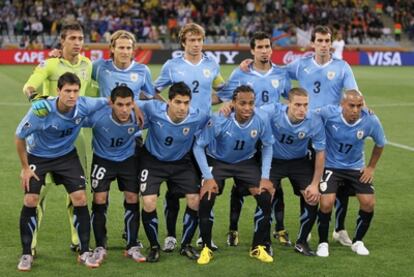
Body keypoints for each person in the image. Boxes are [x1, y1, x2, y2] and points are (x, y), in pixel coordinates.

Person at [15, 73, 108, 271]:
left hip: (66, 156)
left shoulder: (84, 104)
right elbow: (19, 136)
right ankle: (26, 254)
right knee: (31, 200)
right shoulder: (41, 111)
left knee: (80, 198)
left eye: (75, 91)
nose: (72, 95)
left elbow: (110, 101)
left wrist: (133, 105)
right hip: (38, 156)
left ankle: (84, 252)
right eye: (67, 91)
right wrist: (24, 168)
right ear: (58, 91)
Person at [22, 22, 93, 255]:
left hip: (74, 138)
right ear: (62, 41)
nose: (77, 43)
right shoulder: (50, 64)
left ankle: (77, 240)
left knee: (78, 193)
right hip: (43, 138)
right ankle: (30, 246)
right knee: (37, 194)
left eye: (80, 38)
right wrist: (35, 98)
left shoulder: (88, 64)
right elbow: (29, 85)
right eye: (72, 38)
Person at [154, 23, 225, 252]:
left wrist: (216, 103)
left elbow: (221, 92)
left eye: (199, 40)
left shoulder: (211, 65)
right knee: (174, 190)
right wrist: (168, 107)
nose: (196, 44)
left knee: (206, 185)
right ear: (183, 42)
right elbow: (153, 89)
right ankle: (171, 235)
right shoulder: (172, 66)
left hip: (205, 134)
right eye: (191, 40)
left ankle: (204, 236)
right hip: (179, 135)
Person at [285, 25, 358, 246]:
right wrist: (250, 63)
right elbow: (279, 72)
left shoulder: (342, 66)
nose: (324, 45)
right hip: (307, 131)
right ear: (313, 43)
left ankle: (339, 228)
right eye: (320, 41)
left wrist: (363, 110)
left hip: (334, 132)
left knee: (341, 181)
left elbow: (354, 94)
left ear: (331, 43)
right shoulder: (302, 64)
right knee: (308, 181)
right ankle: (306, 227)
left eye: (327, 41)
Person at [218, 31, 292, 247]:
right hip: (246, 137)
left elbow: (292, 97)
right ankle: (233, 229)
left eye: (267, 46)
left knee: (273, 184)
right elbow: (225, 97)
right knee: (240, 186)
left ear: (271, 48)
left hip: (272, 138)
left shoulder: (281, 73)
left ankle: (279, 228)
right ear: (252, 50)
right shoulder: (240, 73)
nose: (264, 50)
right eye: (259, 47)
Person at [193, 85, 275, 265]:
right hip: (218, 161)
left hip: (246, 162)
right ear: (233, 103)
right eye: (242, 103)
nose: (247, 108)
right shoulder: (220, 119)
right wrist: (207, 177)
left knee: (265, 198)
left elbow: (268, 146)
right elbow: (198, 146)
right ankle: (206, 247)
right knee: (206, 199)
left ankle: (257, 247)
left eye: (251, 103)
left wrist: (265, 176)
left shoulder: (261, 118)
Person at [138, 82, 209, 262]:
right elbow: (126, 102)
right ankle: (154, 246)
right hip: (153, 160)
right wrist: (133, 107)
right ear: (168, 101)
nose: (182, 107)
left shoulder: (198, 116)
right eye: (178, 102)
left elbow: (214, 121)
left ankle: (186, 245)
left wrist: (228, 108)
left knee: (194, 200)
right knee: (149, 201)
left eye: (186, 102)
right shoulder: (153, 108)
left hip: (181, 162)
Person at [315, 90, 386, 257]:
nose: (355, 110)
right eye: (351, 105)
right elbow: (310, 116)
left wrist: (370, 168)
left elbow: (380, 143)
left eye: (359, 106)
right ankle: (323, 243)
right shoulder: (329, 113)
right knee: (326, 203)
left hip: (355, 168)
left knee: (368, 202)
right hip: (331, 166)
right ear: (342, 105)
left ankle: (358, 241)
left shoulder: (370, 120)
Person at [82, 86, 145, 265]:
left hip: (128, 160)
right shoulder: (98, 116)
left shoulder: (139, 115)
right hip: (103, 160)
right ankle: (100, 245)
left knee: (133, 198)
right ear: (112, 103)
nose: (124, 109)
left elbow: (165, 111)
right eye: (119, 105)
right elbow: (75, 116)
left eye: (128, 104)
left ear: (133, 103)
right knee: (99, 199)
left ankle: (132, 245)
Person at [260, 87, 326, 256]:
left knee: (312, 198)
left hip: (299, 162)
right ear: (287, 104)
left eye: (305, 105)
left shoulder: (314, 120)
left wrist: (315, 184)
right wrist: (229, 106)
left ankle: (302, 242)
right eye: (297, 105)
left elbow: (320, 152)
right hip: (274, 160)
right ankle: (264, 242)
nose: (302, 109)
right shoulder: (273, 111)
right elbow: (249, 111)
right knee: (265, 197)